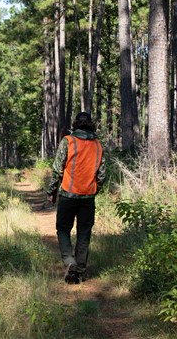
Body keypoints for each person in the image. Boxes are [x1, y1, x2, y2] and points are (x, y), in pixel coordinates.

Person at [46, 112, 105, 284]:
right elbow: (102, 175)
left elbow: (58, 169)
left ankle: (69, 261)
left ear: (76, 125)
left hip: (68, 195)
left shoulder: (68, 141)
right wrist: (93, 190)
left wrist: (51, 191)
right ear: (91, 125)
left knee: (63, 229)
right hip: (88, 196)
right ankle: (80, 269)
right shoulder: (98, 145)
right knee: (84, 232)